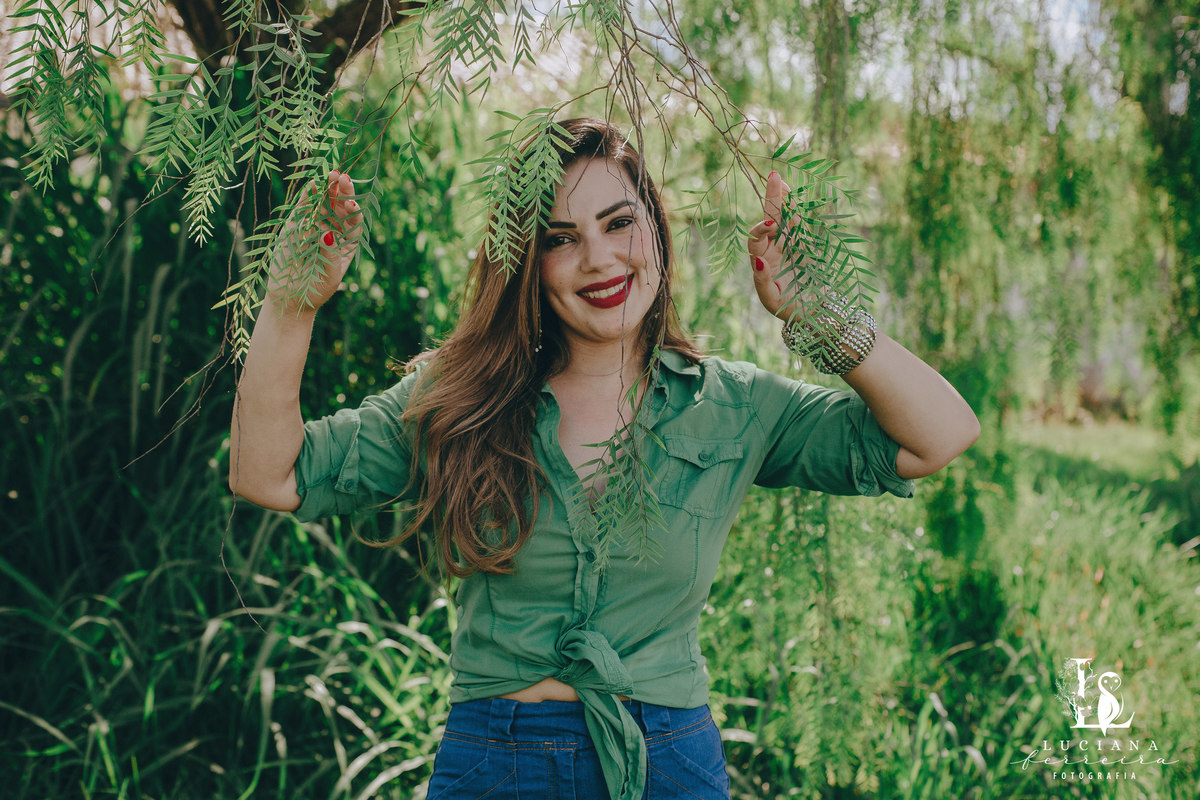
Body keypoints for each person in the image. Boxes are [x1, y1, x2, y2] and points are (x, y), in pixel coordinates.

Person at [229, 118, 980, 800]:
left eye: (619, 222)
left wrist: (818, 313)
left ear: (655, 229)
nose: (599, 259)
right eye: (560, 238)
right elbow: (269, 473)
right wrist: (291, 302)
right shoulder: (460, 399)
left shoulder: (737, 407)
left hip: (668, 765)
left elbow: (937, 435)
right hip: (495, 762)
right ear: (530, 261)